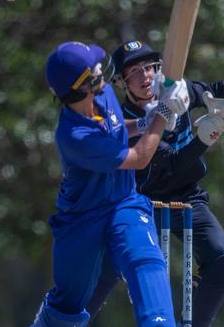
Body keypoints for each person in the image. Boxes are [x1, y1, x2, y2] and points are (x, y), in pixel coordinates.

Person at [85, 40, 224, 326]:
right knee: (103, 274)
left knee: (223, 262)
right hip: (139, 203)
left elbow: (219, 91)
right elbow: (173, 164)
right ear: (122, 83)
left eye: (149, 67)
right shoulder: (125, 121)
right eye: (134, 72)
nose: (145, 76)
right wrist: (208, 135)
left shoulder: (177, 91)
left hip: (186, 197)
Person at [31, 41, 201, 327]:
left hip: (124, 201)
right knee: (69, 304)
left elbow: (115, 125)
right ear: (80, 86)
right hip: (82, 219)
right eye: (93, 69)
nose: (101, 69)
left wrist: (145, 122)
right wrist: (163, 113)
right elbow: (138, 157)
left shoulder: (105, 93)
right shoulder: (74, 136)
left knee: (146, 260)